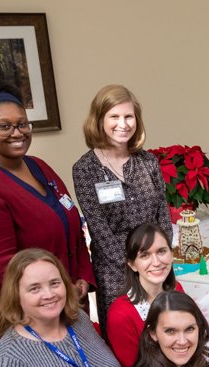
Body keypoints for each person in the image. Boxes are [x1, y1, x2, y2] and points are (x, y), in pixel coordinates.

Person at [0, 79, 94, 350]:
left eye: (22, 124)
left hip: (64, 301)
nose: (17, 132)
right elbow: (1, 266)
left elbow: (72, 226)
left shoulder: (39, 167)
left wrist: (81, 278)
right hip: (22, 314)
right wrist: (58, 291)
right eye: (4, 126)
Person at [72, 84, 172, 336]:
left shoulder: (147, 162)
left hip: (155, 264)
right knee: (125, 335)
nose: (123, 124)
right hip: (114, 270)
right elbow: (97, 226)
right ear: (99, 120)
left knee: (162, 327)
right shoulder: (85, 169)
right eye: (114, 117)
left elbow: (163, 213)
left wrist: (159, 256)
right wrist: (132, 265)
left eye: (129, 116)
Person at [107, 223, 184, 367]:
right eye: (145, 255)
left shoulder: (177, 289)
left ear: (172, 254)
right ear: (132, 264)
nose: (156, 263)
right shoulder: (120, 315)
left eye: (161, 251)